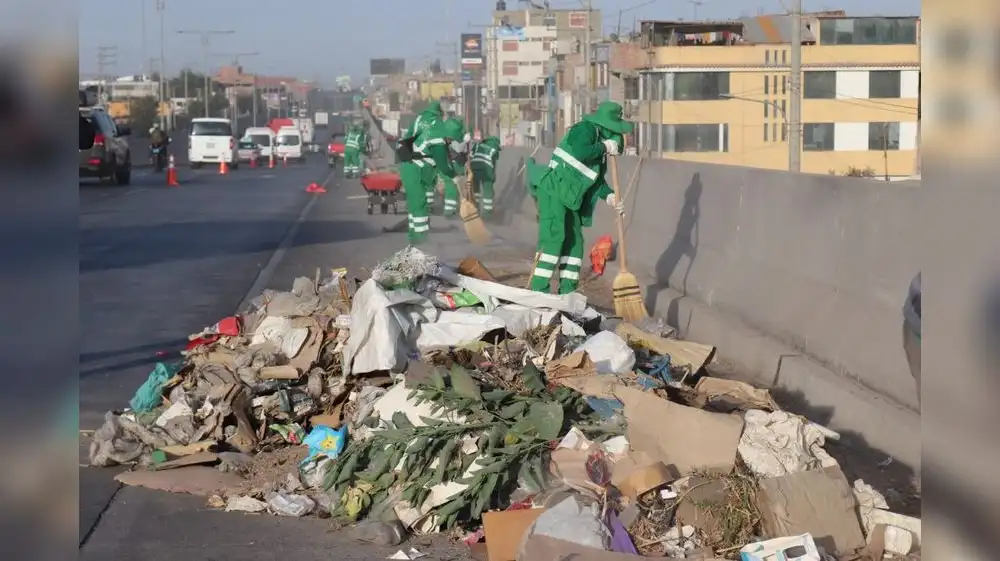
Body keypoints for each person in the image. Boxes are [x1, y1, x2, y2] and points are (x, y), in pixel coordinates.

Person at [528, 101, 632, 294]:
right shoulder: (584, 130)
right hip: (553, 188)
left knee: (575, 244)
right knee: (554, 237)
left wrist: (610, 197)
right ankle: (538, 290)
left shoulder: (600, 154)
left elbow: (596, 181)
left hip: (571, 198)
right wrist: (602, 147)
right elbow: (579, 152)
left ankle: (567, 290)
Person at [400, 117, 464, 244]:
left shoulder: (434, 135)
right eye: (451, 139)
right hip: (415, 171)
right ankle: (421, 238)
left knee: (415, 205)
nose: (451, 142)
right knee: (419, 205)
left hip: (412, 169)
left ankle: (415, 235)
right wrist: (455, 177)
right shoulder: (438, 141)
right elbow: (443, 165)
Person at [399, 100, 444, 209]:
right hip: (427, 159)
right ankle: (427, 205)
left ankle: (414, 205)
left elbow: (408, 136)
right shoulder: (437, 122)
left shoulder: (418, 119)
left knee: (415, 186)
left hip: (411, 158)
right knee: (429, 183)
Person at [469, 136, 501, 216]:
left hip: (474, 166)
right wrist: (492, 178)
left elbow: (470, 156)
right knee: (488, 189)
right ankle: (487, 212)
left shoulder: (478, 145)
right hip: (486, 169)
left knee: (475, 189)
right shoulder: (494, 148)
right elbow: (493, 165)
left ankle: (475, 208)